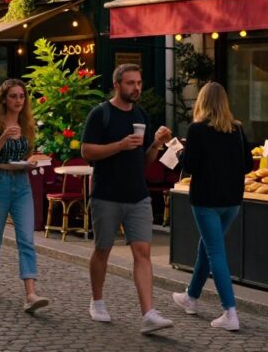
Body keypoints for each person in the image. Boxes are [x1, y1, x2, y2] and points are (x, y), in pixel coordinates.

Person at [81, 63, 173, 334]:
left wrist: (155, 144)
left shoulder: (141, 114)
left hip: (137, 195)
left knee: (142, 251)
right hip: (106, 194)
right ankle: (97, 301)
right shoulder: (101, 114)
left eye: (139, 83)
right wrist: (120, 145)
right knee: (103, 249)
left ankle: (149, 313)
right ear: (117, 85)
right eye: (131, 83)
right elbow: (87, 151)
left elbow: (145, 160)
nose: (137, 88)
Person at [171, 82, 247, 332]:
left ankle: (230, 312)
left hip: (206, 200)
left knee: (215, 251)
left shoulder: (197, 129)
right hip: (232, 200)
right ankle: (191, 297)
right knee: (207, 246)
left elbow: (189, 166)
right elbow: (248, 164)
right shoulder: (236, 129)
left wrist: (179, 151)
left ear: (201, 102)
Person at [0, 79, 50, 313]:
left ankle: (30, 293)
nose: (18, 101)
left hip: (22, 184)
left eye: (21, 96)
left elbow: (27, 154)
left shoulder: (27, 124)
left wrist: (30, 162)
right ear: (4, 99)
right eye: (13, 96)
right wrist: (3, 137)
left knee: (26, 239)